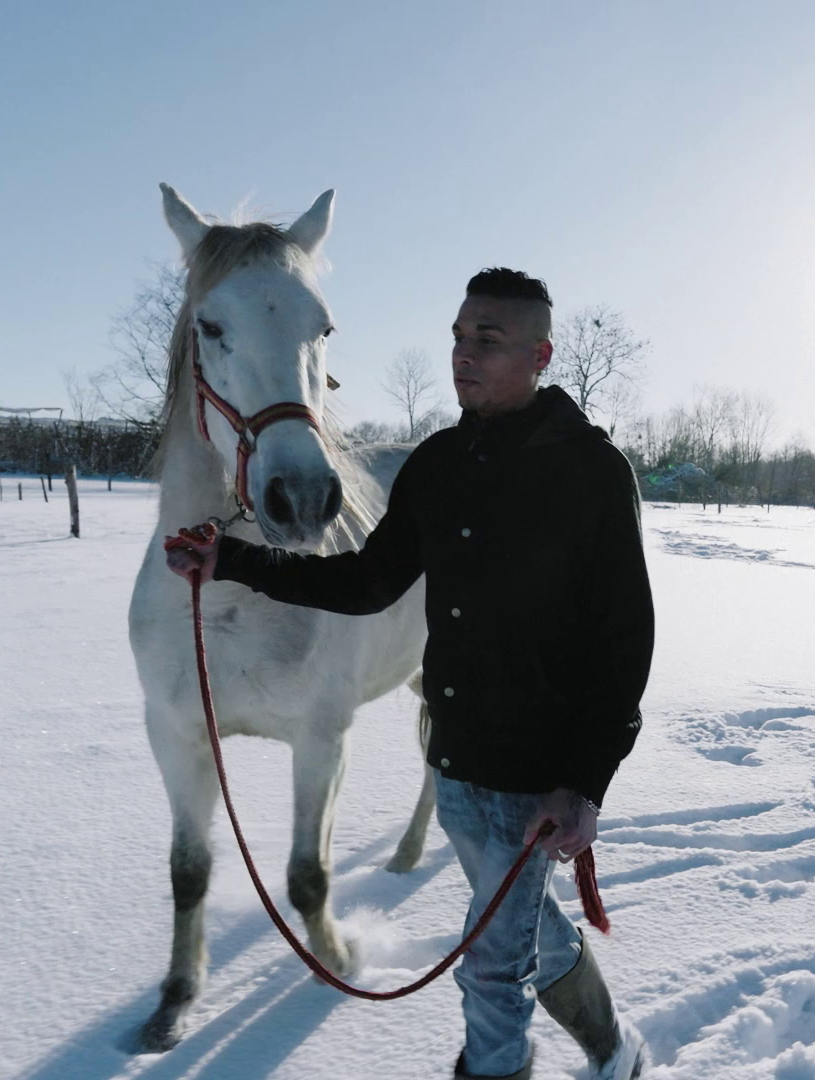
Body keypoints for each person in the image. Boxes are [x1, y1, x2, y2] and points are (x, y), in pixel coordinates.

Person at [167, 268, 652, 1080]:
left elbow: (623, 641)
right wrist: (234, 561)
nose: (463, 354)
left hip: (537, 778)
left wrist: (584, 781)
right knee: (521, 925)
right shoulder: (438, 462)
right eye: (459, 336)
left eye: (487, 340)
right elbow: (366, 583)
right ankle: (615, 1051)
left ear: (541, 355)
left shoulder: (591, 473)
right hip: (457, 760)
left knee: (494, 971)